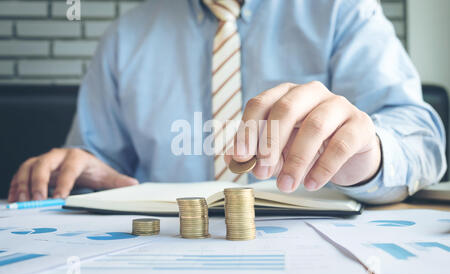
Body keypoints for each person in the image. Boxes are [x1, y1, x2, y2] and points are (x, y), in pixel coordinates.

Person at [8, 0, 446, 204]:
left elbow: (424, 141)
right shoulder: (126, 35)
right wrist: (85, 169)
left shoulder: (343, 11)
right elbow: (98, 159)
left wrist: (370, 154)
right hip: (162, 254)